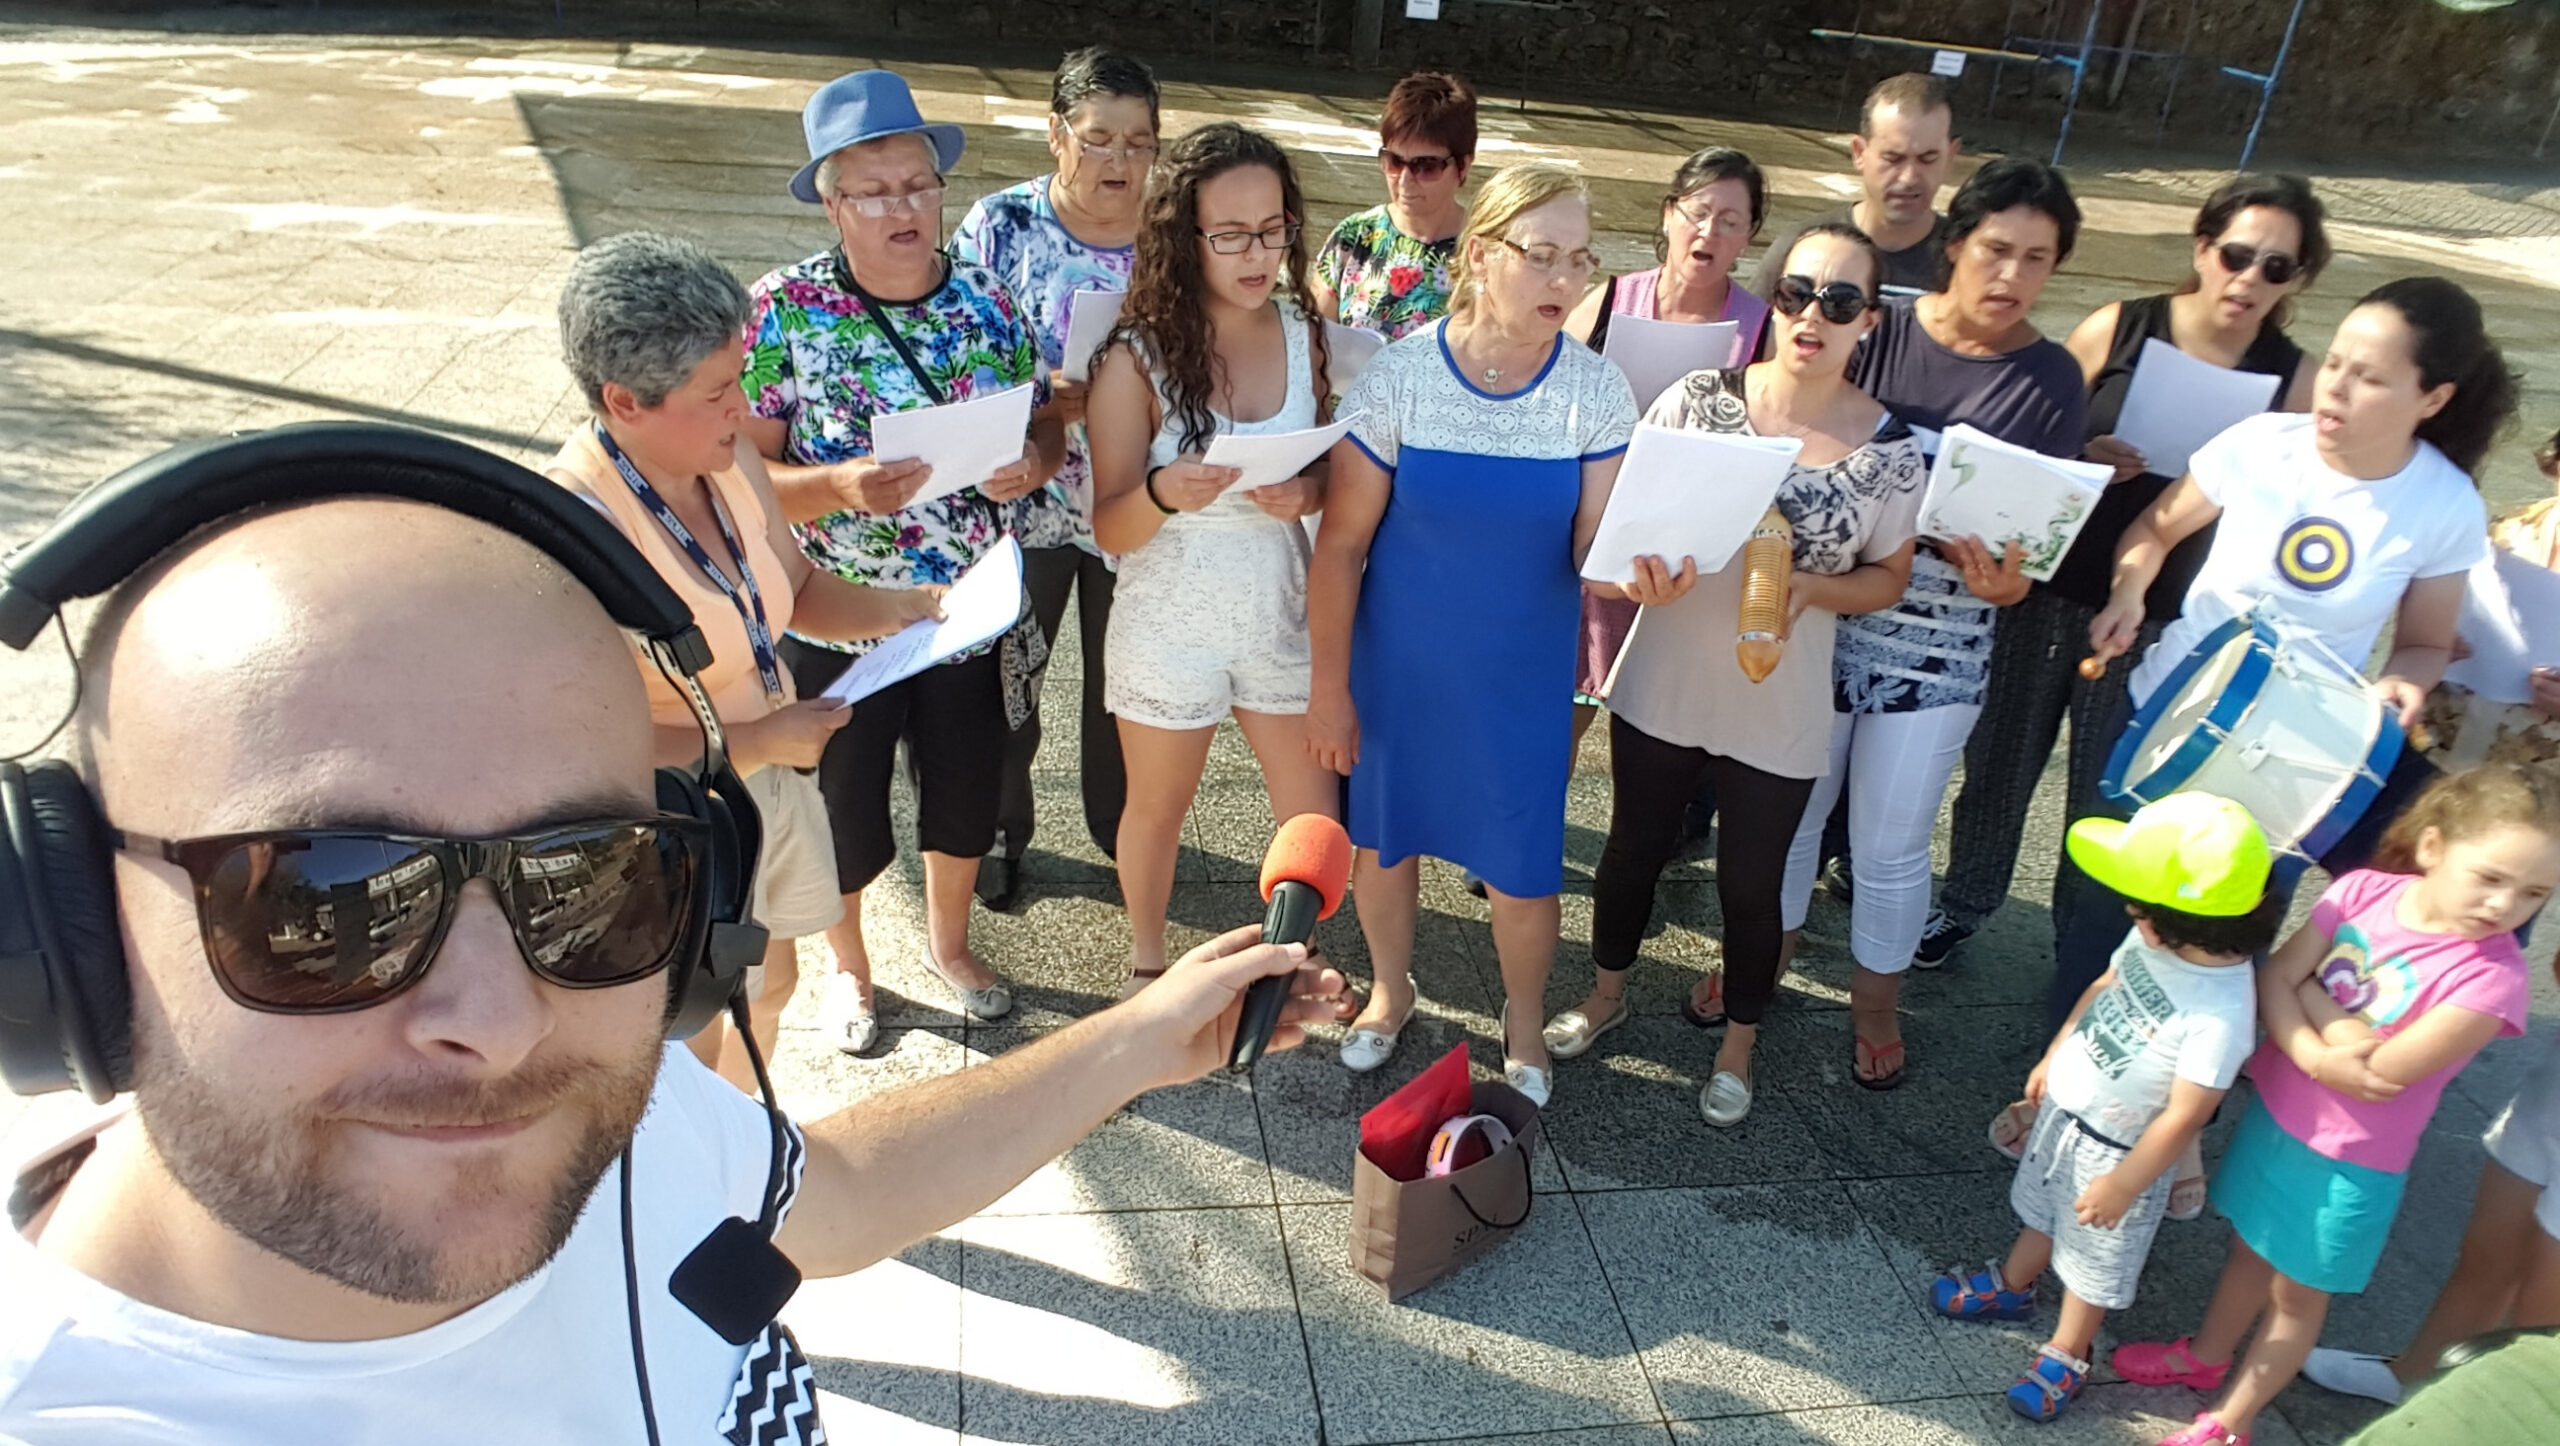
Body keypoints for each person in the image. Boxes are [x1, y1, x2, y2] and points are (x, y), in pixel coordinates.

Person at [0, 479, 1349, 1441]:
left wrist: (1145, 1035)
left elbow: (837, 1195)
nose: (502, 1021)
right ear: (63, 928)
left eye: (583, 877)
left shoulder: (600, 1113)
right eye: (326, 898)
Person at [2063, 276, 2520, 1027]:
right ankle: (2065, 1070)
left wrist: (2402, 685)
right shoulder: (2260, 443)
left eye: (2369, 378)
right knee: (2106, 923)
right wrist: (2128, 594)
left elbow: (2424, 642)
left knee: (2219, 941)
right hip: (2167, 716)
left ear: (2432, 398)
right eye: (2335, 362)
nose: (2335, 388)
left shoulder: (2445, 504)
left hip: (2291, 760)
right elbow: (2153, 532)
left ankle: (2191, 1092)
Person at [1544, 224, 1923, 1128]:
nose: (1811, 317)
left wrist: (1810, 587)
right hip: (1667, 666)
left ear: (1869, 320)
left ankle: (1739, 1042)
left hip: (1779, 690)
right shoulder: (1696, 399)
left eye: (1839, 302)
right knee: (1632, 846)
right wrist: (1637, 570)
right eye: (1796, 294)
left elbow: (1890, 578)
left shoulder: (1889, 449)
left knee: (1753, 883)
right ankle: (1607, 995)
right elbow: (1617, 530)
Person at [545, 231, 943, 1084]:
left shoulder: (723, 461)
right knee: (682, 1024)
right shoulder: (573, 532)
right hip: (670, 823)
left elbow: (794, 584)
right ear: (625, 401)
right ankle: (695, 1174)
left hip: (768, 782)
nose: (746, 407)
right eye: (722, 390)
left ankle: (740, 1147)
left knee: (771, 984)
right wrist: (758, 743)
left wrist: (904, 611)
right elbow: (582, 747)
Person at [1919, 174, 2330, 970]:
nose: (2249, 280)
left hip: (2168, 618)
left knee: (2109, 791)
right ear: (2203, 248)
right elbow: (2032, 428)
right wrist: (2082, 451)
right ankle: (1965, 904)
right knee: (1999, 763)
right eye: (2238, 255)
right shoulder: (2123, 328)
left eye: (2277, 267)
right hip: (2052, 586)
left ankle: (2086, 939)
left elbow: (2305, 499)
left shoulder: (2297, 380)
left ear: (2298, 279)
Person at [741, 70, 1064, 1047]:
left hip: (963, 602)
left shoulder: (987, 298)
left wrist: (1029, 465)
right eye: (876, 191)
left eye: (920, 185)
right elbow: (736, 477)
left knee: (966, 787)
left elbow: (1044, 428)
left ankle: (949, 944)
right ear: (832, 203)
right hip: (832, 603)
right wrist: (836, 487)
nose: (905, 209)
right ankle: (852, 974)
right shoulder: (781, 312)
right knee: (839, 800)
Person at [1307, 161, 1640, 1104]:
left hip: (1522, 677)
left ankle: (1523, 1023)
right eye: (1543, 257)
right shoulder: (1402, 373)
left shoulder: (1597, 389)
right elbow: (1340, 549)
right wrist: (1329, 690)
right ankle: (1389, 991)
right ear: (1483, 255)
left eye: (1580, 261)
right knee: (1384, 842)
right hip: (1400, 667)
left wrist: (1647, 569)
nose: (1566, 282)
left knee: (1525, 867)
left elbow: (1595, 550)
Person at [2111, 765, 2558, 1446]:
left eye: (2535, 894)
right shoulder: (2362, 892)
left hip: (2354, 1162)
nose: (2504, 907)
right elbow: (2275, 976)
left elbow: (2381, 1074)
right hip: (2282, 1117)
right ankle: (2204, 1359)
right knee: (2247, 1253)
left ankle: (2234, 1421)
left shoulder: (2493, 980)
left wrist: (2312, 997)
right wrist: (2328, 1048)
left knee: (2296, 1298)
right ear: (2433, 847)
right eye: (2491, 877)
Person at [1769, 156, 2087, 1086]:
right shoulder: (1871, 325)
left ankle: (1876, 1008)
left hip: (1943, 645)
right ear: (1956, 245)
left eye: (2037, 260)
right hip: (1823, 616)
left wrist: (2008, 586)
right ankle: (1763, 963)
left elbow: (2035, 551)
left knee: (1892, 840)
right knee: (1794, 819)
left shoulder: (2051, 378)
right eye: (1996, 250)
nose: (2011, 276)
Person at [1086, 123, 1341, 994]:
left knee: (1312, 816)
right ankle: (1147, 963)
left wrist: (1307, 494)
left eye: (1273, 229)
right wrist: (1162, 494)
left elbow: (1328, 472)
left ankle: (1293, 958)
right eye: (1230, 234)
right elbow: (1109, 527)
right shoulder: (1137, 357)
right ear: (1182, 236)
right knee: (1156, 811)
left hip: (1280, 606)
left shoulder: (1307, 326)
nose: (1257, 253)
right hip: (1168, 617)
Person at [1929, 794, 2282, 1424]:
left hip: (2123, 1151)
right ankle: (2013, 1286)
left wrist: (2126, 1182)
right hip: (2069, 1115)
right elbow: (2103, 986)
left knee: (2093, 1263)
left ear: (2190, 922)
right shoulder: (2156, 942)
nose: (2130, 913)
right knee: (2042, 1211)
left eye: (2141, 909)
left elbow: (2184, 1115)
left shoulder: (2222, 1012)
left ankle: (2070, 1348)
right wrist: (2055, 1055)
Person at [950, 46, 1158, 910]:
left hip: (1132, 502)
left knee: (1130, 686)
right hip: (1021, 503)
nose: (1118, 162)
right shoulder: (1000, 226)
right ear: (1055, 135)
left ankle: (1125, 839)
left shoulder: (1172, 235)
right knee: (1008, 676)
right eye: (1098, 138)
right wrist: (1045, 396)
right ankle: (1001, 832)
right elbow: (955, 352)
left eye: (1140, 143)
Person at [1566, 146, 1776, 758]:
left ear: (1749, 238)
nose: (1709, 231)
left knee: (1659, 741)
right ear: (1667, 216)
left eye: (1730, 221)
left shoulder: (1762, 329)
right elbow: (1549, 395)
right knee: (1560, 718)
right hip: (1595, 530)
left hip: (1692, 555)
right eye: (1698, 212)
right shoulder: (1606, 301)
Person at [1747, 72, 1959, 301]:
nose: (1909, 178)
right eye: (1893, 158)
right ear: (1859, 153)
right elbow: (1746, 334)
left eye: (1927, 159)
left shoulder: (1967, 261)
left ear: (1950, 157)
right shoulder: (1800, 248)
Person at [1307, 70, 1476, 340]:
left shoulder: (1485, 253)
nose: (1405, 181)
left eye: (1427, 166)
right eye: (1394, 162)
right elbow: (1314, 347)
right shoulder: (1353, 238)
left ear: (1464, 165)